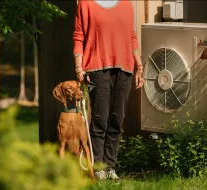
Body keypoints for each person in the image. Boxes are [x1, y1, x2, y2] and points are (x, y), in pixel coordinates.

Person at [73, 0, 144, 180]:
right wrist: (79, 68)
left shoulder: (126, 4)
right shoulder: (85, 4)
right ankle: (98, 168)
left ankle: (110, 167)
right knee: (100, 120)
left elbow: (132, 36)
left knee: (116, 120)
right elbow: (78, 36)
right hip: (96, 69)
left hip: (125, 69)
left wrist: (140, 66)